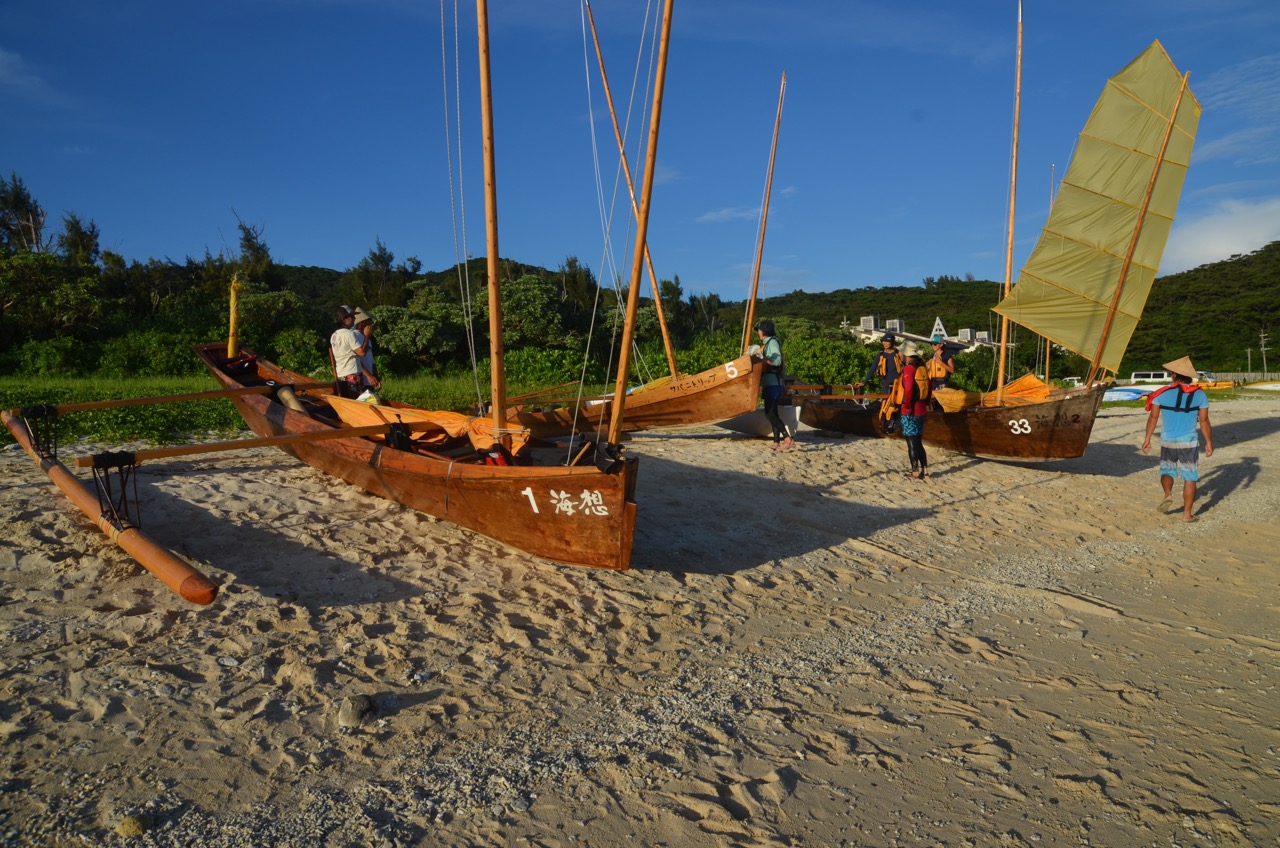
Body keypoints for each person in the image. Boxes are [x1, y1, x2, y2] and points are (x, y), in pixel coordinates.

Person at [1141, 355, 1213, 522]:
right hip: (1189, 441)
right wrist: (1208, 442)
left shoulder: (1162, 394)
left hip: (1168, 440)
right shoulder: (1200, 395)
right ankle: (1187, 515)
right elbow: (1204, 421)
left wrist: (1147, 439)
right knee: (1190, 477)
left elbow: (1153, 418)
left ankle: (1168, 494)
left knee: (1167, 470)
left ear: (1173, 375)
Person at [894, 341, 932, 479]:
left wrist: (907, 406)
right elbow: (930, 386)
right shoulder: (922, 367)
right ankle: (925, 470)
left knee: (911, 441)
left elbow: (908, 389)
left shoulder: (909, 368)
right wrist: (926, 403)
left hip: (911, 410)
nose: (898, 354)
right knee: (918, 441)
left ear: (905, 354)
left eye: (900, 352)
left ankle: (915, 471)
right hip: (922, 409)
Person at [756, 320, 795, 451]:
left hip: (772, 383)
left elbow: (777, 361)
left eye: (759, 330)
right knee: (773, 413)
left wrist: (762, 358)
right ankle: (776, 442)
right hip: (771, 383)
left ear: (763, 331)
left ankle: (788, 438)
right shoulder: (768, 343)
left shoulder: (771, 342)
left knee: (770, 414)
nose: (758, 332)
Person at [330, 307, 380, 399]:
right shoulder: (350, 334)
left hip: (341, 374)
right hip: (352, 374)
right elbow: (362, 353)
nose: (354, 319)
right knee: (357, 400)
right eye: (351, 317)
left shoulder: (334, 335)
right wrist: (366, 336)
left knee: (348, 399)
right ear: (344, 319)